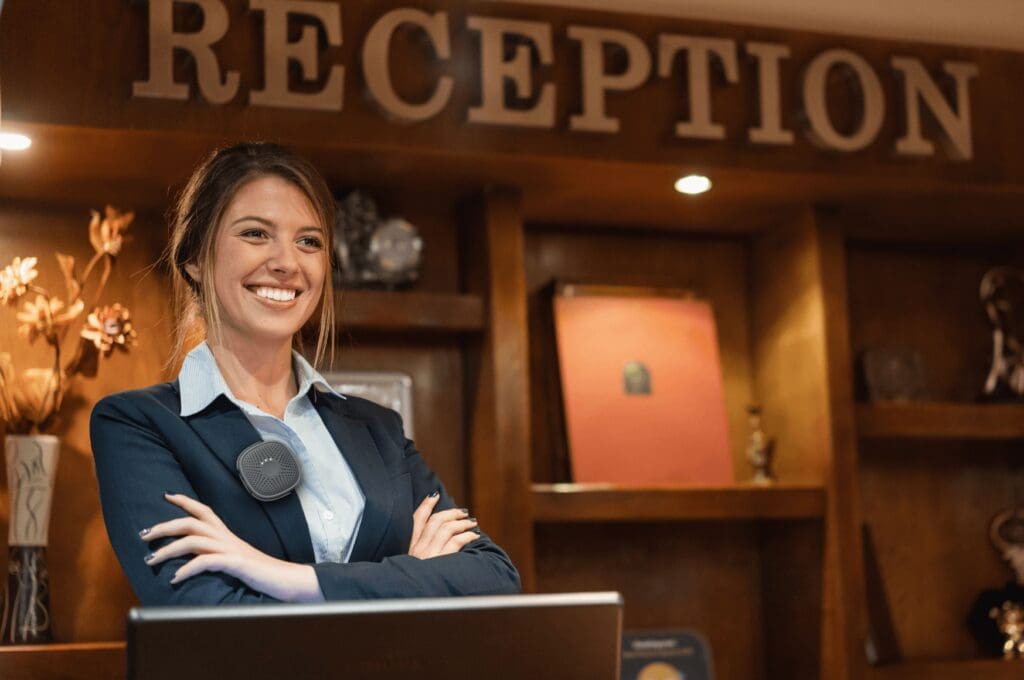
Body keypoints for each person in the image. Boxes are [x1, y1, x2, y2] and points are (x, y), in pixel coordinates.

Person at [90, 142, 520, 605]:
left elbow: (493, 576)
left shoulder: (378, 430)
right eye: (255, 234)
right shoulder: (139, 425)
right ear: (195, 258)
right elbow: (207, 620)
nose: (287, 263)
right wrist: (412, 581)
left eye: (309, 241)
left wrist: (284, 577)